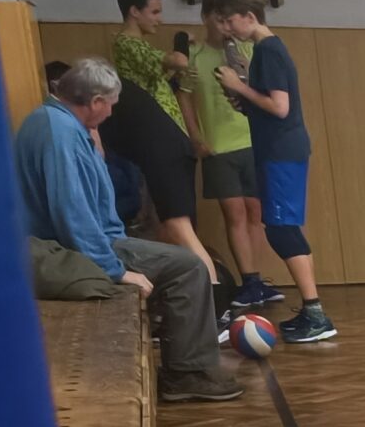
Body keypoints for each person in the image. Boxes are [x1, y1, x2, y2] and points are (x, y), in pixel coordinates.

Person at [14, 59, 243, 402]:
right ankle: (186, 373)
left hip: (78, 242)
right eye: (110, 105)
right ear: (95, 102)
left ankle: (186, 365)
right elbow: (72, 213)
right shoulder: (59, 133)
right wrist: (116, 271)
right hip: (66, 251)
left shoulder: (55, 122)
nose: (111, 113)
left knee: (177, 260)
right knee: (188, 266)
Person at [214, 0, 335, 344]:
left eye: (230, 20)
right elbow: (269, 105)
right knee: (283, 227)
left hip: (282, 151)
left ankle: (315, 312)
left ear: (249, 16)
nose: (227, 28)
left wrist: (239, 86)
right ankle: (313, 310)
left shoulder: (268, 50)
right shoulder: (266, 51)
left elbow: (280, 107)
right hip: (278, 149)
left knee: (282, 229)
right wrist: (246, 103)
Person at [106, 0, 218, 286]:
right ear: (134, 11)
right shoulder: (126, 43)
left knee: (177, 226)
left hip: (168, 140)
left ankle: (207, 294)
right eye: (154, 11)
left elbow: (172, 72)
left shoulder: (140, 49)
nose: (160, 18)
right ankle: (205, 293)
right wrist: (181, 44)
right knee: (175, 227)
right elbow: (176, 60)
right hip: (161, 142)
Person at [191, 0, 279, 309]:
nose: (225, 27)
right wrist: (196, 137)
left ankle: (256, 279)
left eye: (229, 20)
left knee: (256, 212)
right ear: (206, 19)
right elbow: (184, 98)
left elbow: (266, 92)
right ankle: (249, 278)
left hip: (252, 141)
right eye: (219, 20)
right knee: (235, 213)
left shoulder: (247, 49)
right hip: (219, 146)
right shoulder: (194, 56)